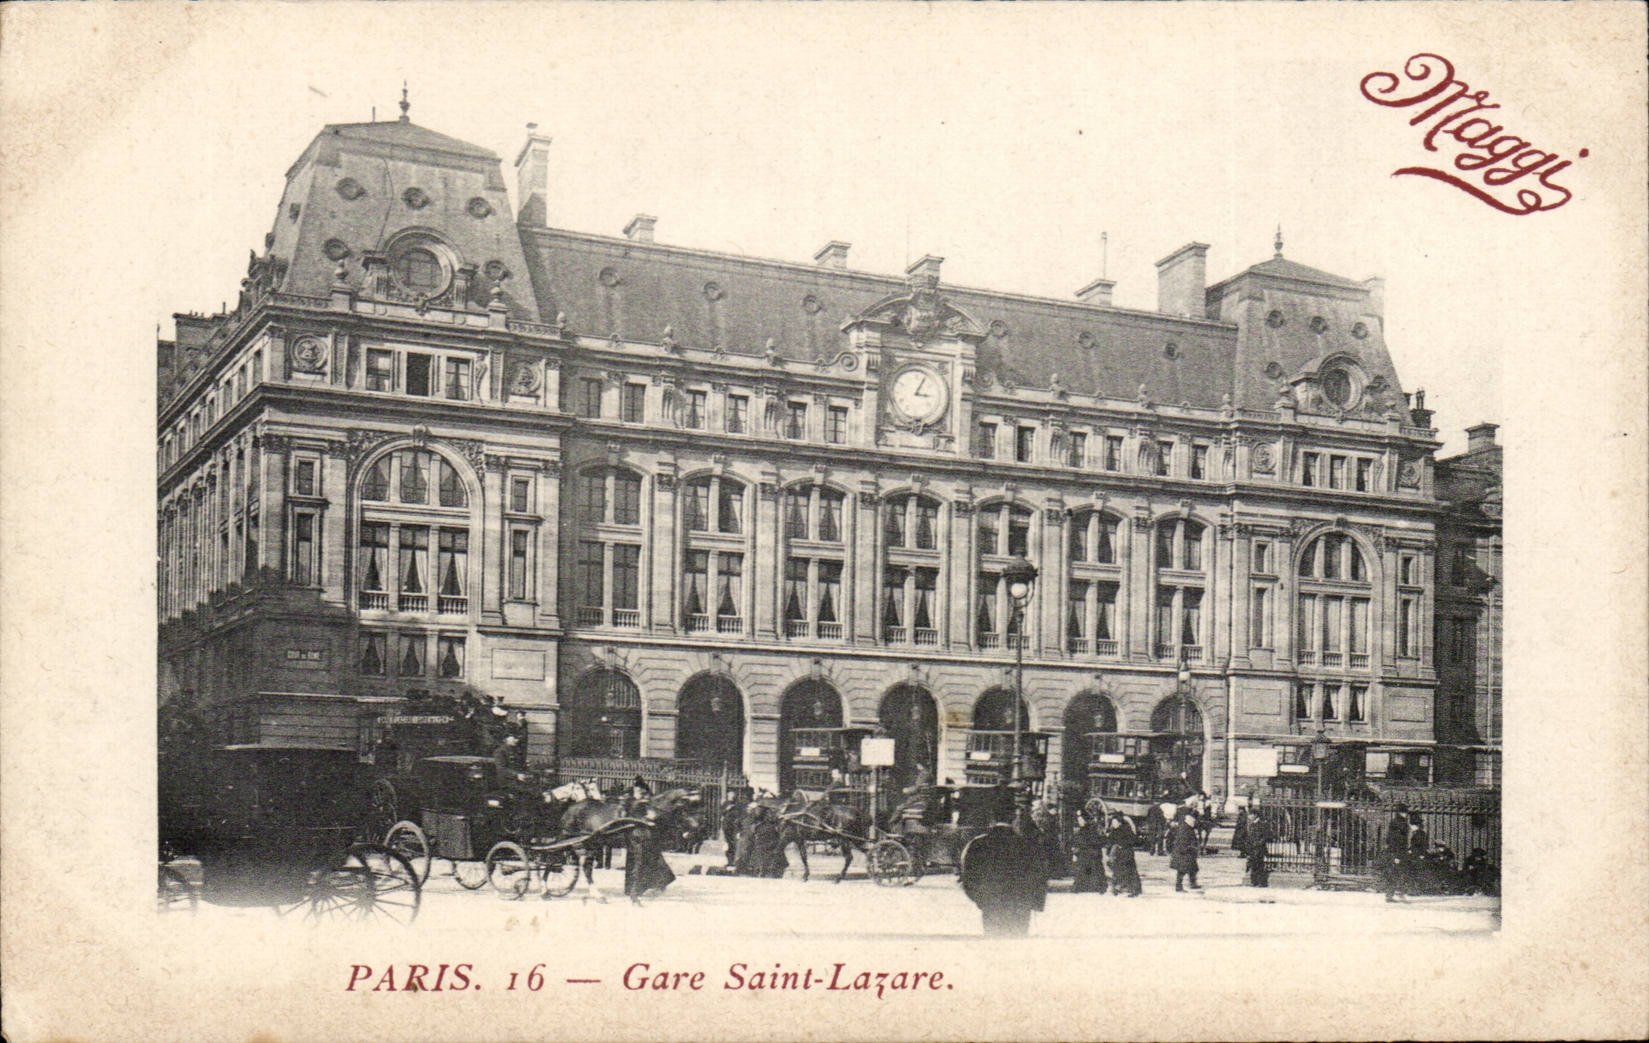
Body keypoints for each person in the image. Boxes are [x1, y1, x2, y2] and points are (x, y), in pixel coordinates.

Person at [959, 813, 1049, 937]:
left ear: (992, 820)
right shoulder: (1028, 845)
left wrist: (979, 899)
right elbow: (1040, 876)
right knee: (1018, 947)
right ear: (1015, 819)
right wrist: (1036, 903)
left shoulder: (978, 844)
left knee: (994, 945)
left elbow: (968, 875)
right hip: (1021, 906)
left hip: (991, 903)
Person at [1070, 808, 1109, 894]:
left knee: (1094, 869)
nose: (1079, 821)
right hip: (1085, 853)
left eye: (1080, 819)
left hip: (1092, 853)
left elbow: (1097, 840)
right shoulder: (1082, 830)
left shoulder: (1092, 828)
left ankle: (1098, 887)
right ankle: (1082, 886)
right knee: (1082, 869)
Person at [1105, 812, 1142, 897]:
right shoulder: (1114, 831)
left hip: (1126, 854)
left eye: (1115, 822)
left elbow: (1133, 840)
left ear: (1119, 822)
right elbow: (1109, 841)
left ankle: (1132, 889)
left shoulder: (1126, 830)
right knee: (1118, 870)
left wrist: (1122, 845)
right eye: (1112, 822)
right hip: (1118, 855)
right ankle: (1118, 887)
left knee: (1129, 871)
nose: (1113, 824)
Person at [1168, 809, 1201, 891]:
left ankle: (1193, 883)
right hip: (1184, 851)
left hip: (1187, 850)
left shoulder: (1187, 825)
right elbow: (1182, 840)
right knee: (1182, 870)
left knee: (1192, 868)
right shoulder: (1185, 827)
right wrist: (1186, 848)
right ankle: (1178, 886)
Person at [1383, 805, 1411, 903]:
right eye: (1405, 812)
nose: (1406, 814)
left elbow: (1389, 839)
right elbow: (1397, 840)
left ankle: (1392, 895)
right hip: (1398, 853)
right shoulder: (1400, 823)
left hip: (1396, 852)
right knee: (1398, 874)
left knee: (1396, 874)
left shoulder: (1396, 822)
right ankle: (1395, 895)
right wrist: (1397, 856)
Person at [1241, 808, 1270, 887]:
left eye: (1250, 814)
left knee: (1259, 865)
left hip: (1259, 849)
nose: (1249, 816)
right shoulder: (1251, 824)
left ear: (1255, 815)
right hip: (1252, 849)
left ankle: (1260, 882)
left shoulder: (1262, 824)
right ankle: (1254, 882)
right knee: (1253, 865)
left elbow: (1264, 837)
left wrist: (1258, 844)